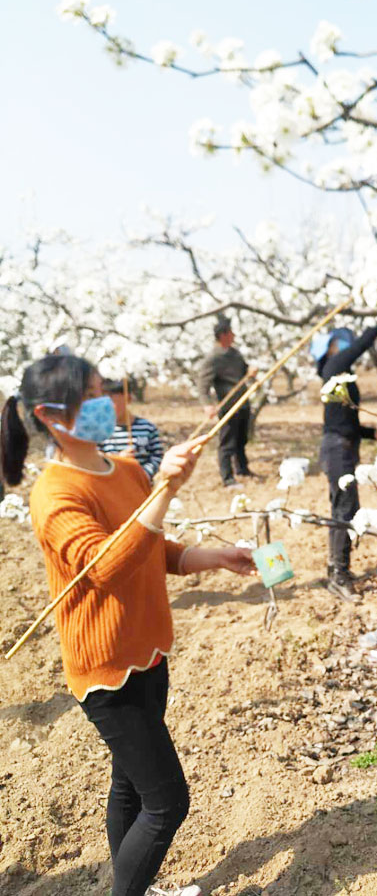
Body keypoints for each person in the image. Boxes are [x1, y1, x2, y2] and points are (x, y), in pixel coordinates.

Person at [0, 354, 255, 896]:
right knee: (168, 802)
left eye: (108, 389)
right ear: (50, 415)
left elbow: (151, 550)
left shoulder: (129, 470)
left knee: (131, 786)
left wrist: (215, 557)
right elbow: (108, 568)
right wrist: (165, 492)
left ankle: (134, 884)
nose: (109, 401)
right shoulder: (56, 493)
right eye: (92, 394)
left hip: (149, 649)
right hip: (106, 670)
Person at [313, 324, 377, 602]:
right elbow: (358, 347)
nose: (344, 347)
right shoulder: (333, 366)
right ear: (330, 349)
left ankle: (336, 568)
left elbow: (345, 421)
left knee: (342, 509)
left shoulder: (339, 377)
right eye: (338, 343)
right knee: (346, 509)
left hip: (341, 446)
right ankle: (339, 576)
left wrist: (371, 433)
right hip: (337, 449)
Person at [197, 316, 251, 487]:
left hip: (243, 402)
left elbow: (244, 371)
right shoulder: (214, 358)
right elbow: (203, 384)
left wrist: (251, 371)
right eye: (230, 332)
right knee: (227, 442)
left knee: (242, 439)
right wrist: (207, 404)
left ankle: (242, 468)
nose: (234, 335)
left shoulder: (235, 354)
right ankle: (227, 478)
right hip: (228, 405)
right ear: (223, 335)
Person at [100, 378, 164, 483]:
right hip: (112, 487)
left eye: (111, 402)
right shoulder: (100, 431)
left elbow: (157, 456)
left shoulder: (147, 428)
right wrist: (119, 460)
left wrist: (143, 474)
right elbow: (96, 459)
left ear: (127, 399)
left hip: (143, 486)